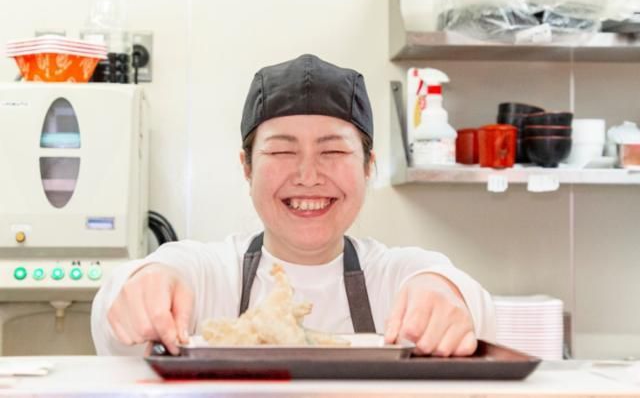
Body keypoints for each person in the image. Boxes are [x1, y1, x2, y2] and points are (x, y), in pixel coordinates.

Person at [91, 54, 496, 356]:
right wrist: (142, 286)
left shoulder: (395, 276)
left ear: (368, 166)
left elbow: (464, 298)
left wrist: (446, 294)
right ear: (247, 167)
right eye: (282, 151)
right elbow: (125, 304)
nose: (307, 175)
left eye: (332, 151)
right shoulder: (210, 273)